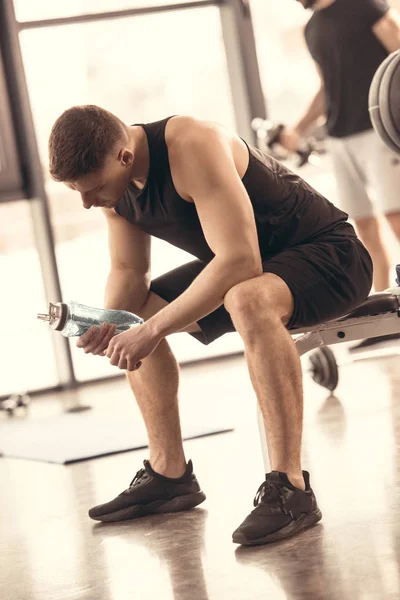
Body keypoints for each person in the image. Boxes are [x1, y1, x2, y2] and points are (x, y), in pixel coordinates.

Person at [48, 106, 372, 546]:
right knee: (134, 317)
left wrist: (151, 331)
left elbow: (241, 260)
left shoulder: (191, 144)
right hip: (262, 268)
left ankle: (290, 489)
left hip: (331, 255)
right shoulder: (113, 189)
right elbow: (128, 270)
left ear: (124, 157)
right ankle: (169, 473)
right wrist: (110, 325)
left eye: (93, 189)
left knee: (245, 298)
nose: (87, 202)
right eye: (76, 192)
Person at [280, 0, 400, 350]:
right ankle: (380, 319)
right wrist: (299, 129)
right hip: (338, 136)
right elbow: (325, 87)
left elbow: (398, 54)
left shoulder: (363, 5)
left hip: (378, 128)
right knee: (361, 227)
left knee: (395, 218)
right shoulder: (312, 27)